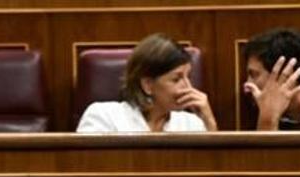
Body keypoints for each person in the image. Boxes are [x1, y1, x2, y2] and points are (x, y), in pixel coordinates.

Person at [76, 33, 217, 132]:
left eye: (189, 77)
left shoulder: (191, 124)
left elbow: (212, 169)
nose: (188, 87)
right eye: (176, 79)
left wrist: (209, 122)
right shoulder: (103, 117)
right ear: (148, 85)